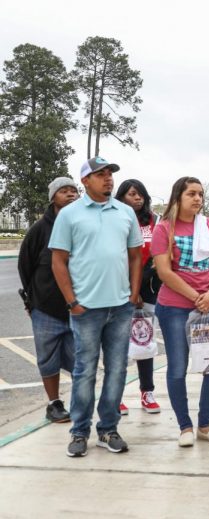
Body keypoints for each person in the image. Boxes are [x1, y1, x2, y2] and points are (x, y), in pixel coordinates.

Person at [49, 157, 143, 457]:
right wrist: (72, 302)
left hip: (120, 307)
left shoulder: (125, 212)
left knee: (117, 371)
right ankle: (79, 432)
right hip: (86, 309)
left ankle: (108, 429)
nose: (108, 179)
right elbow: (58, 261)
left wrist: (133, 293)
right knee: (84, 371)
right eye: (100, 175)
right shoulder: (70, 215)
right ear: (85, 181)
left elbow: (136, 256)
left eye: (110, 174)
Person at [151, 177, 209, 447]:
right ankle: (185, 427)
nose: (197, 199)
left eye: (201, 194)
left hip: (208, 307)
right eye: (191, 194)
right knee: (177, 368)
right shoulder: (164, 229)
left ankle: (205, 426)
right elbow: (164, 272)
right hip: (174, 308)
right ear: (178, 197)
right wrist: (196, 296)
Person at [18, 177, 79, 423]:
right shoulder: (39, 230)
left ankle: (80, 402)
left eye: (74, 190)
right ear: (53, 197)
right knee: (47, 358)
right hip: (45, 308)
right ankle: (54, 403)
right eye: (64, 191)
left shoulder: (82, 225)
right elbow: (25, 267)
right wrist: (31, 302)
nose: (70, 194)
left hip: (78, 307)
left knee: (80, 358)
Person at [114, 178, 162, 414]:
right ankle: (116, 395)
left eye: (140, 194)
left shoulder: (154, 221)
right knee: (118, 345)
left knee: (144, 342)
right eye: (132, 194)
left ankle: (147, 392)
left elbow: (157, 257)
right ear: (121, 196)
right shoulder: (114, 219)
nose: (137, 198)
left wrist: (141, 290)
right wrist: (130, 291)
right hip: (120, 291)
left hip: (147, 291)